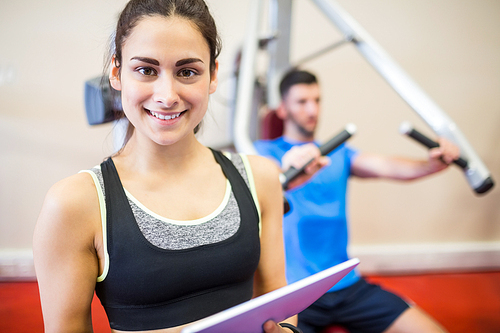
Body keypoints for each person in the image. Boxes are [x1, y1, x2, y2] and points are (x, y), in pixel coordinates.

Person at [33, 1, 300, 332]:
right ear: (116, 72)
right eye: (146, 70)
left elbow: (278, 302)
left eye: (187, 72)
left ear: (213, 75)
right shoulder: (75, 203)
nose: (167, 95)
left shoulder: (258, 177)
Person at [254, 69, 459, 333]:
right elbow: (256, 179)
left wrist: (432, 165)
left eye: (317, 100)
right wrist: (283, 171)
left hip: (346, 284)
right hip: (296, 291)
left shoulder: (339, 153)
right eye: (302, 102)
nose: (313, 110)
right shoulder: (262, 153)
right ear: (282, 109)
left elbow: (388, 167)